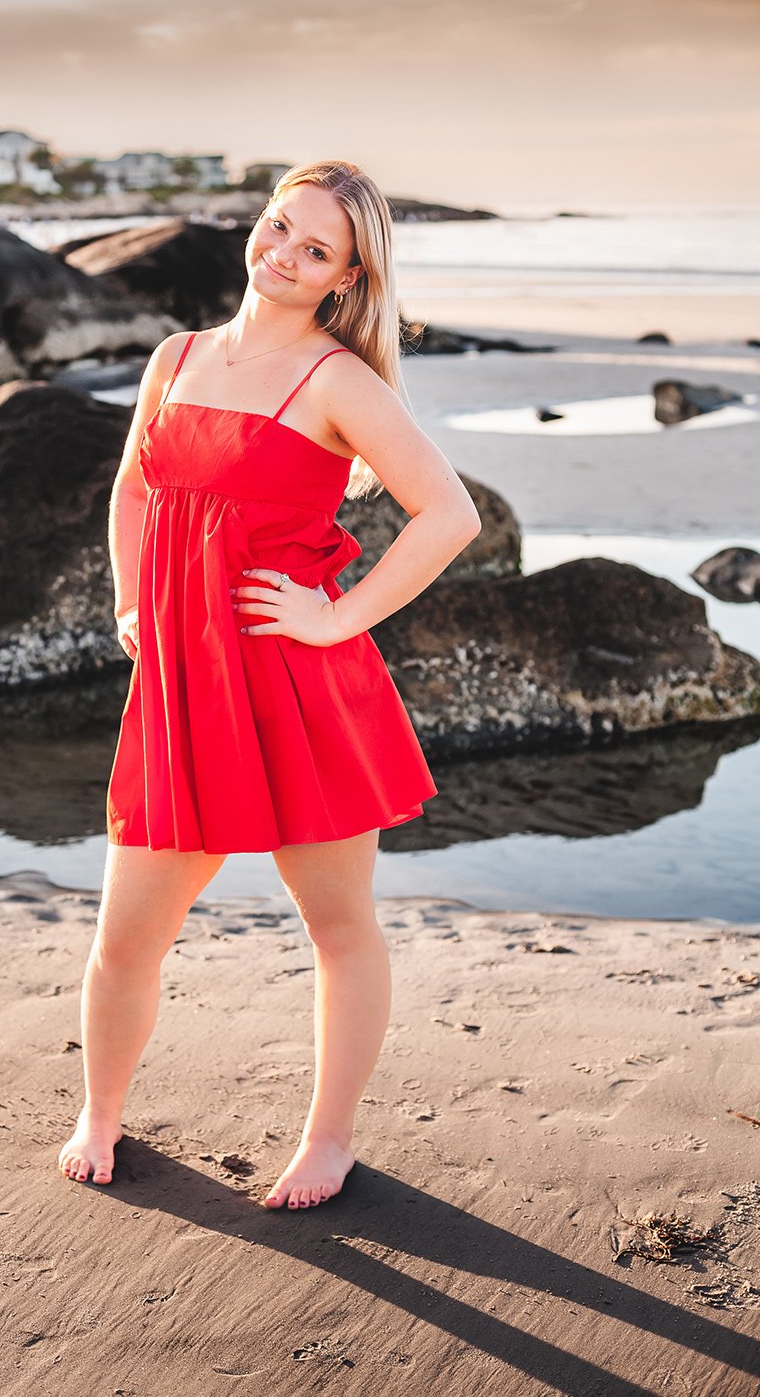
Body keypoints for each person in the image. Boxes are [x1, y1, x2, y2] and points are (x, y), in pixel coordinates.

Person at [57, 161, 482, 1210]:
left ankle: (327, 1141)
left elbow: (448, 515)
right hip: (180, 691)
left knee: (338, 928)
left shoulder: (337, 380)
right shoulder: (177, 356)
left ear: (343, 277)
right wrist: (127, 603)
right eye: (277, 228)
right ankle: (99, 1113)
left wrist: (334, 615)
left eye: (314, 250)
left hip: (298, 685)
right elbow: (131, 491)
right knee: (122, 941)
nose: (282, 256)